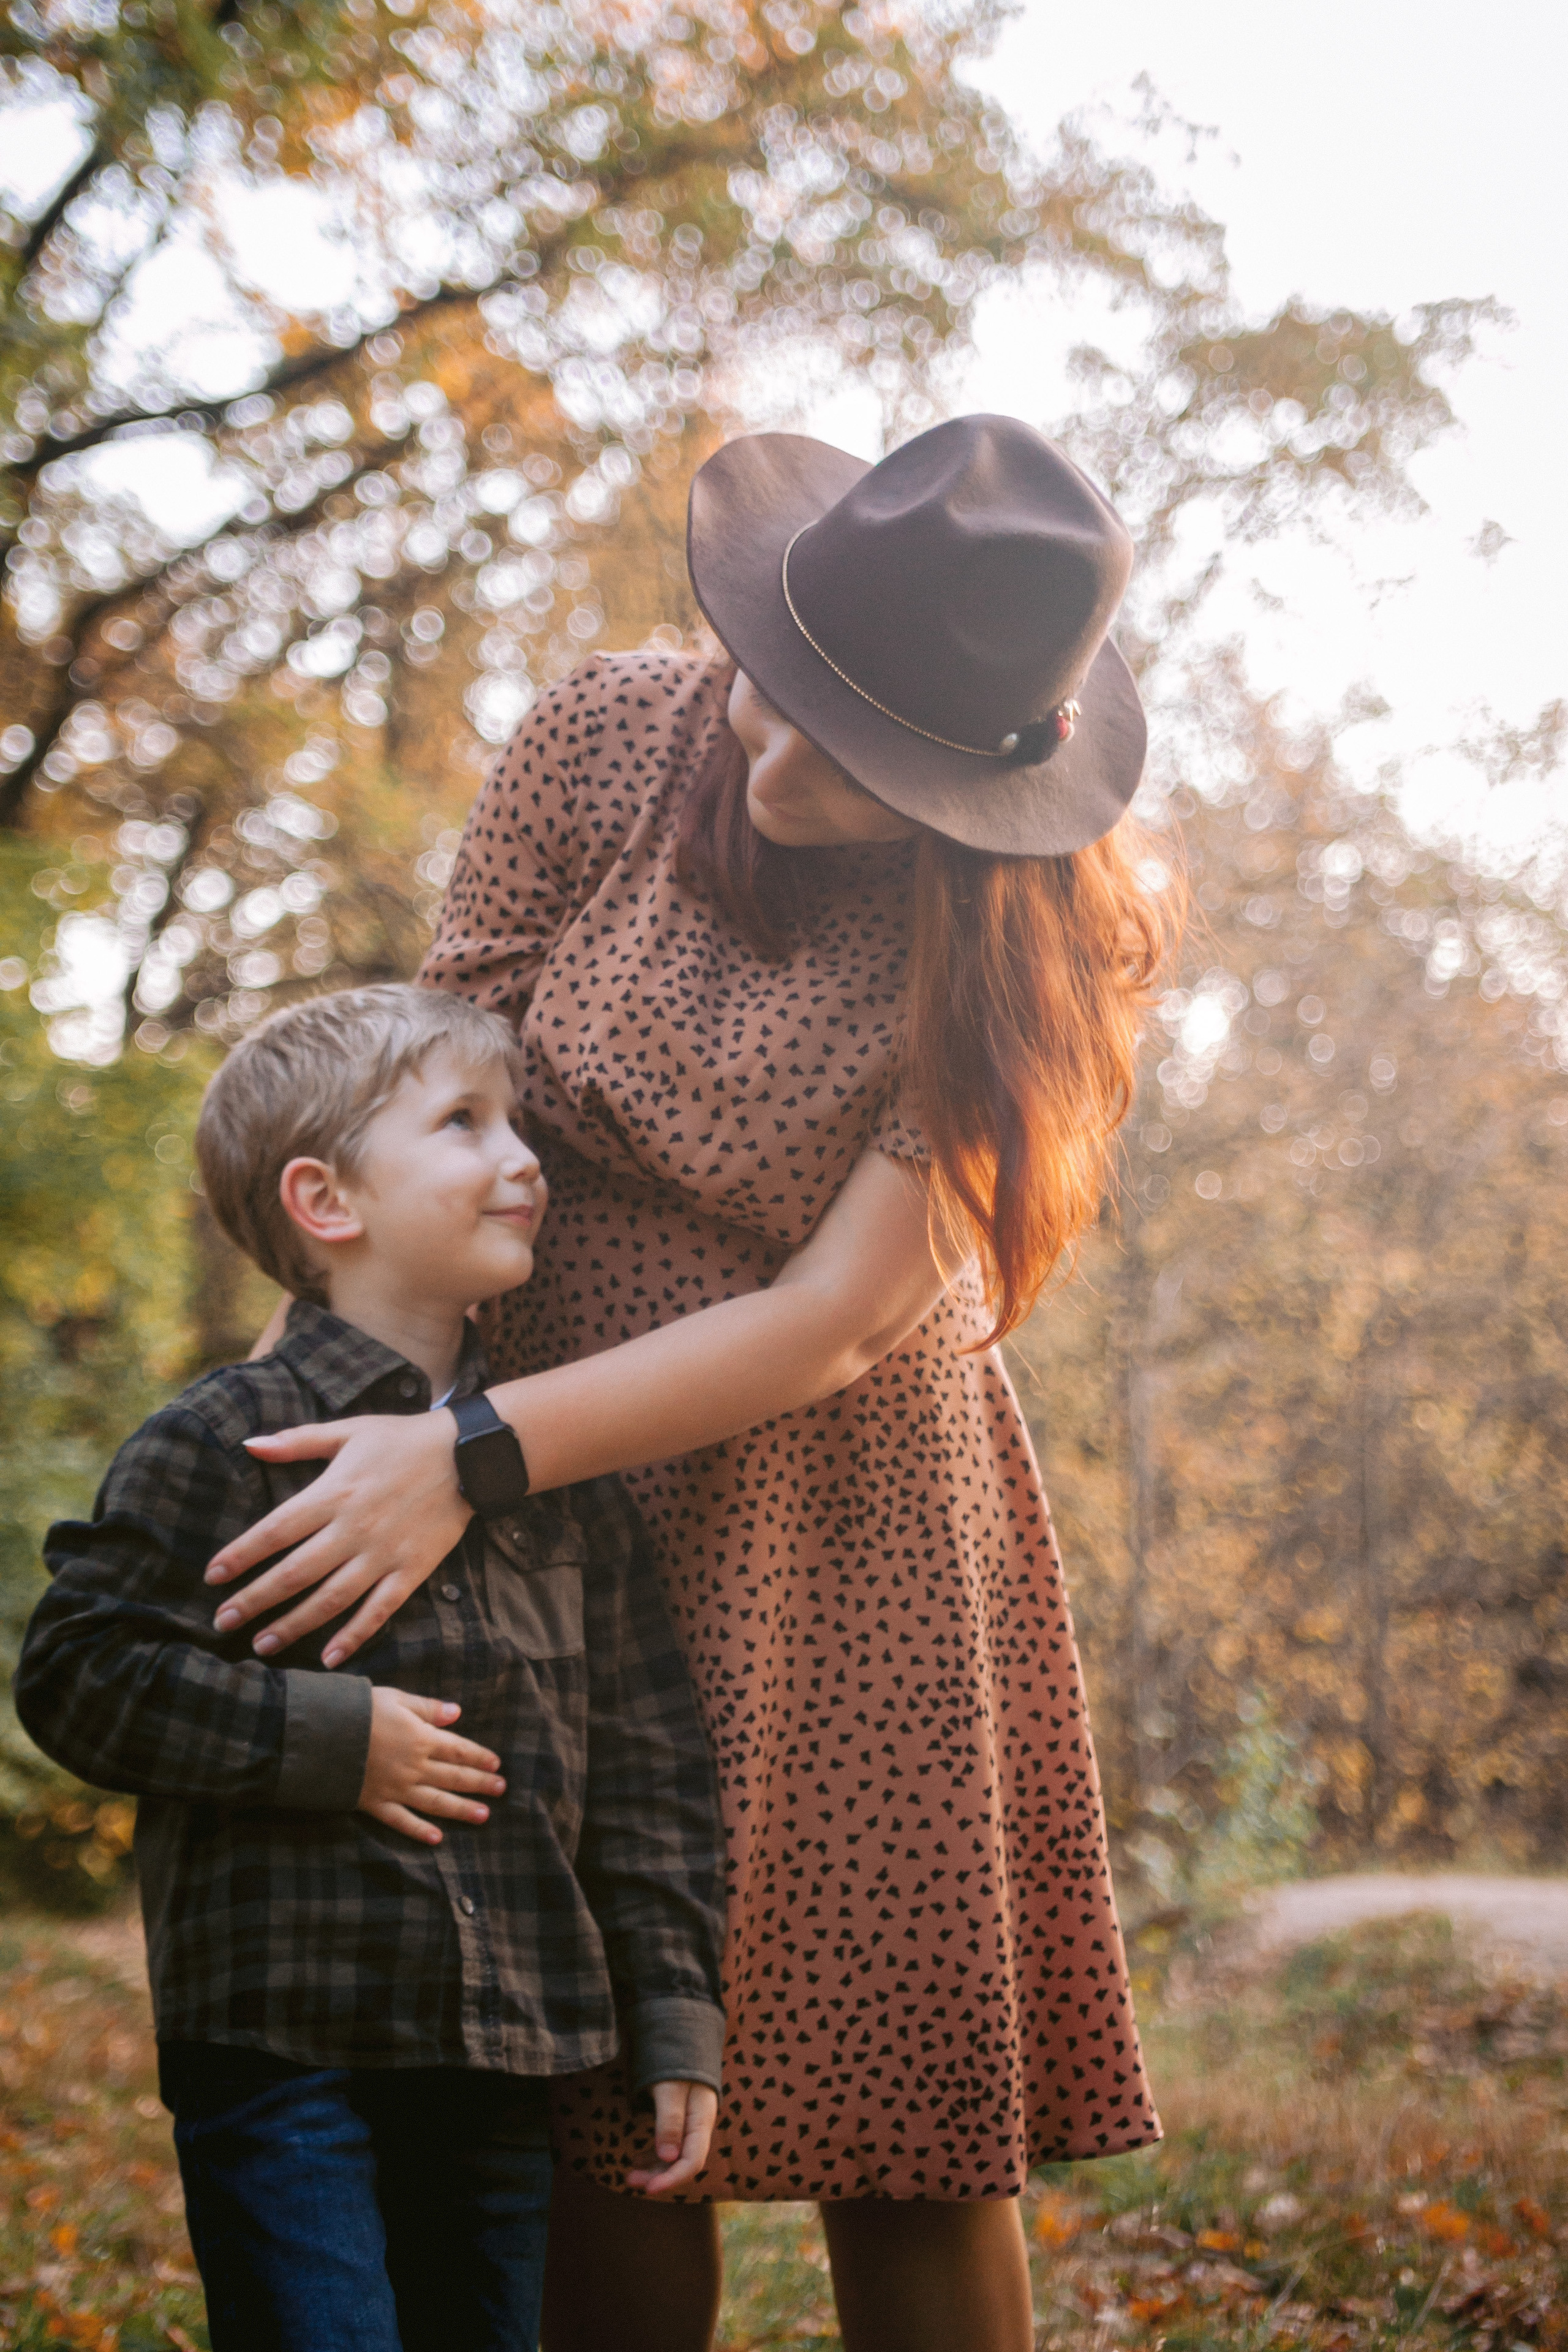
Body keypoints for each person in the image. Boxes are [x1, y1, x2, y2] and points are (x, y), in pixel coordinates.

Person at [198, 415, 1174, 2352]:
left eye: (858, 751)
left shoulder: (1033, 953)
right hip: (536, 1490)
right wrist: (335, 1405)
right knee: (595, 2090)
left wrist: (464, 1457)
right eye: (774, 686)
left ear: (976, 787)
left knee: (900, 2113)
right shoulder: (606, 732)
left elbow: (832, 1318)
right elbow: (427, 1085)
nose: (775, 754)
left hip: (846, 1527)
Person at [13, 983, 726, 2352]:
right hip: (283, 2043)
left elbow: (650, 1771)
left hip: (502, 2042)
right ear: (326, 1203)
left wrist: (675, 2013)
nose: (522, 1158)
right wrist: (335, 1741)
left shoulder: (558, 1477)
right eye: (464, 1122)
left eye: (513, 1121)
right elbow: (79, 1672)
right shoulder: (224, 1441)